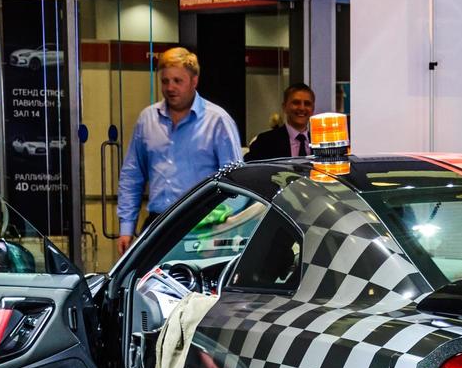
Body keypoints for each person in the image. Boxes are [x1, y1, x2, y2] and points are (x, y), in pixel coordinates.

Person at [116, 47, 242, 255]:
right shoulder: (147, 119)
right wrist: (126, 228)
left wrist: (225, 229)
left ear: (194, 81)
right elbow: (132, 176)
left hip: (203, 227)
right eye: (165, 81)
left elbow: (235, 182)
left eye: (177, 81)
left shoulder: (217, 121)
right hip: (157, 224)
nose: (170, 88)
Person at [245, 83, 316, 161]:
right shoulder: (265, 142)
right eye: (296, 103)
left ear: (312, 109)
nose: (302, 108)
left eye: (307, 104)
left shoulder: (321, 145)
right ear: (284, 107)